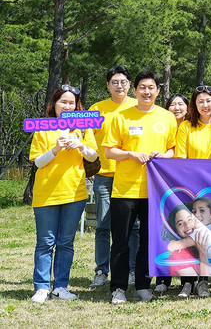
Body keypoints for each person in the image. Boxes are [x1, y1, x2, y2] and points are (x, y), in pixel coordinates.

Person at [102, 70, 177, 304]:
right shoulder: (121, 117)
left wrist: (163, 155)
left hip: (154, 191)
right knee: (121, 242)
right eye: (142, 87)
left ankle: (143, 286)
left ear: (158, 90)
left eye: (151, 87)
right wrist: (130, 154)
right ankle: (118, 288)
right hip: (124, 190)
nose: (147, 91)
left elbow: (173, 149)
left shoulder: (167, 117)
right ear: (134, 91)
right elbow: (109, 150)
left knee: (148, 241)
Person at [29, 85, 99, 303]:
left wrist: (80, 146)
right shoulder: (43, 127)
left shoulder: (83, 127)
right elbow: (38, 162)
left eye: (72, 103)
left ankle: (60, 286)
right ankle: (41, 287)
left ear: (77, 107)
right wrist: (55, 149)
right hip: (46, 193)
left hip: (75, 193)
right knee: (45, 242)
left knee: (66, 242)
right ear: (54, 104)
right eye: (63, 102)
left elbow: (93, 156)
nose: (67, 106)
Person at [173, 85, 211, 298]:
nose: (205, 105)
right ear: (194, 105)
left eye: (209, 101)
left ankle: (203, 281)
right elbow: (181, 157)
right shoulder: (186, 126)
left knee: (204, 237)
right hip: (189, 188)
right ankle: (187, 282)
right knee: (188, 234)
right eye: (200, 101)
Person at [88, 65, 138, 290]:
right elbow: (85, 138)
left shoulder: (139, 107)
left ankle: (132, 269)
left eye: (124, 82)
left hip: (133, 177)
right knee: (103, 225)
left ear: (130, 85)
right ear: (108, 85)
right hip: (105, 177)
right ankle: (101, 270)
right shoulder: (96, 109)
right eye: (115, 82)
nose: (120, 85)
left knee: (133, 226)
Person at [154, 92, 190, 294]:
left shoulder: (190, 127)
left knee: (187, 231)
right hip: (163, 185)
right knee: (165, 230)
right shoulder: (160, 125)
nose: (177, 108)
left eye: (181, 104)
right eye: (172, 104)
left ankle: (188, 279)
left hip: (187, 186)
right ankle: (163, 278)